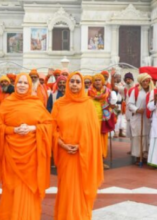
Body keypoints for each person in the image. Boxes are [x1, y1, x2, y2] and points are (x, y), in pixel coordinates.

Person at [0, 73, 53, 220]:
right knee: (11, 185)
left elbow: (49, 124)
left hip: (32, 152)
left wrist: (33, 128)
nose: (21, 85)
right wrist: (13, 130)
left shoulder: (36, 103)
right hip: (11, 152)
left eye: (25, 83)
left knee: (29, 186)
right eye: (19, 82)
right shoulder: (7, 103)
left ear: (29, 85)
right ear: (15, 85)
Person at [52, 72, 103, 220]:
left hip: (83, 154)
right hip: (65, 154)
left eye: (77, 82)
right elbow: (52, 129)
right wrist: (62, 144)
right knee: (67, 187)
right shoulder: (59, 104)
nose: (74, 84)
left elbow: (94, 132)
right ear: (67, 84)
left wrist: (81, 146)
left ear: (82, 85)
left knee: (81, 187)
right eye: (72, 81)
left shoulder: (88, 104)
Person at [88, 73, 117, 168]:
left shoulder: (108, 92)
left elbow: (112, 105)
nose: (97, 82)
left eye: (99, 80)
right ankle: (92, 161)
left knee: (103, 141)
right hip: (92, 120)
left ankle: (101, 160)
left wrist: (112, 106)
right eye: (95, 80)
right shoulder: (88, 92)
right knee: (92, 141)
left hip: (104, 120)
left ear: (102, 81)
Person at [128, 73, 154, 164]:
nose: (145, 83)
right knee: (138, 137)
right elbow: (130, 104)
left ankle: (146, 156)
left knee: (147, 137)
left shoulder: (153, 91)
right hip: (138, 118)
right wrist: (137, 110)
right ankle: (138, 156)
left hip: (149, 119)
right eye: (144, 81)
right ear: (140, 82)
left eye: (147, 81)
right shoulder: (136, 91)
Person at [112, 73, 126, 137]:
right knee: (116, 118)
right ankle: (116, 132)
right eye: (116, 77)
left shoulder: (123, 84)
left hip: (121, 103)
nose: (118, 78)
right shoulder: (112, 85)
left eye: (119, 77)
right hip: (115, 104)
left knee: (122, 118)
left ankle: (121, 131)